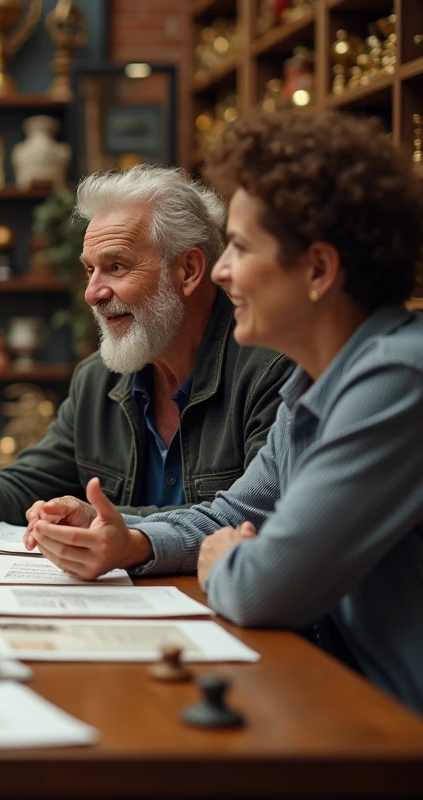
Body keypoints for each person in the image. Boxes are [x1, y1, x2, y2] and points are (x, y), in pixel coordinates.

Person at [29, 112, 423, 712]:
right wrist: (132, 540)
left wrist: (226, 559)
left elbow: (265, 584)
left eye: (240, 246)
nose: (220, 270)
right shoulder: (319, 385)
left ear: (317, 269)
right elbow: (234, 512)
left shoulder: (397, 379)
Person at [0, 165, 292, 577]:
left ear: (189, 270)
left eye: (117, 266)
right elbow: (24, 489)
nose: (92, 294)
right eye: (90, 269)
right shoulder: (97, 379)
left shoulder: (272, 369)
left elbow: (251, 515)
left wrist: (109, 523)